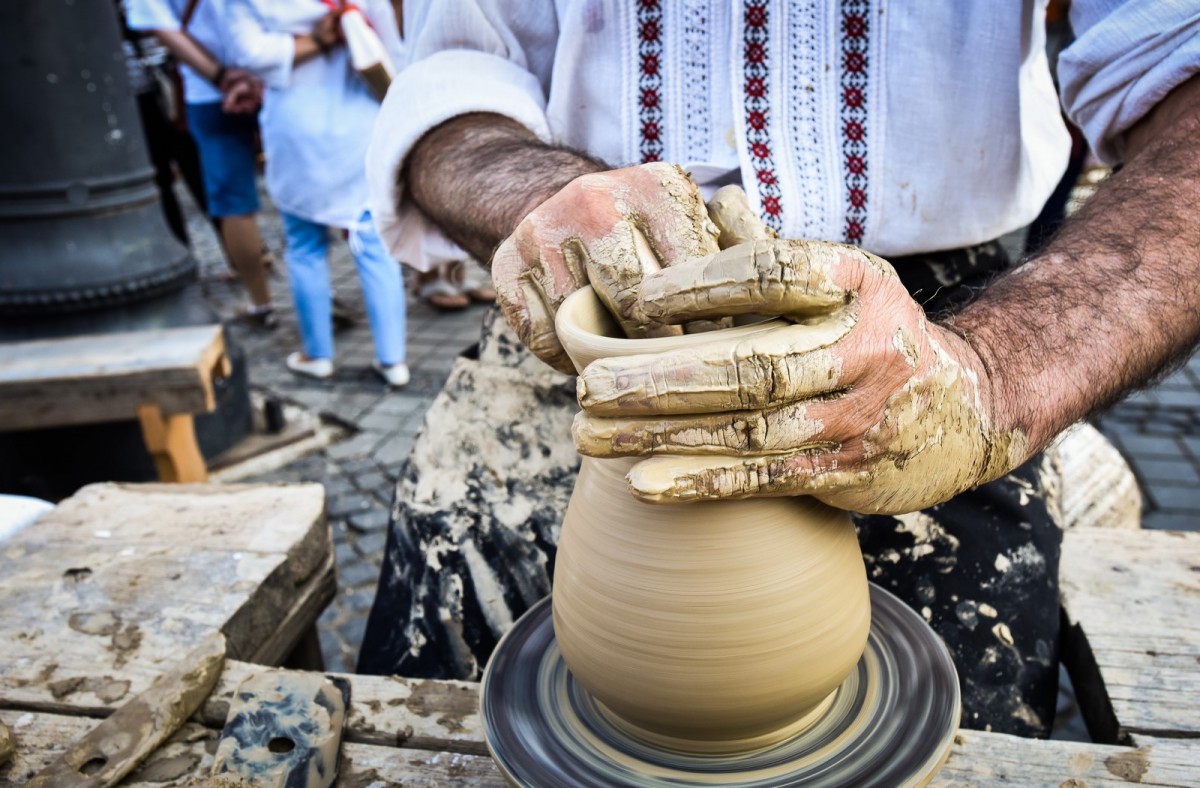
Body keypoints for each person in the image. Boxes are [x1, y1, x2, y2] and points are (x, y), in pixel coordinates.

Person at [358, 0, 1200, 740]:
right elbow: (454, 81)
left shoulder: (968, 356)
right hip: (596, 297)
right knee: (434, 676)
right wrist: (540, 193)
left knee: (973, 676)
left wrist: (996, 371)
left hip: (932, 326)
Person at [225, 0, 410, 386]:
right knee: (374, 244)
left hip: (295, 126)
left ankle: (317, 354)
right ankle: (393, 360)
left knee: (304, 247)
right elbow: (392, 51)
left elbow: (248, 53)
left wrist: (310, 42)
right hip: (360, 122)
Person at [126, 0, 276, 327]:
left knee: (231, 199)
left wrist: (221, 75)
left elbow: (159, 24)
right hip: (280, 71)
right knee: (311, 190)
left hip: (206, 88)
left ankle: (261, 303)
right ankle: (321, 293)